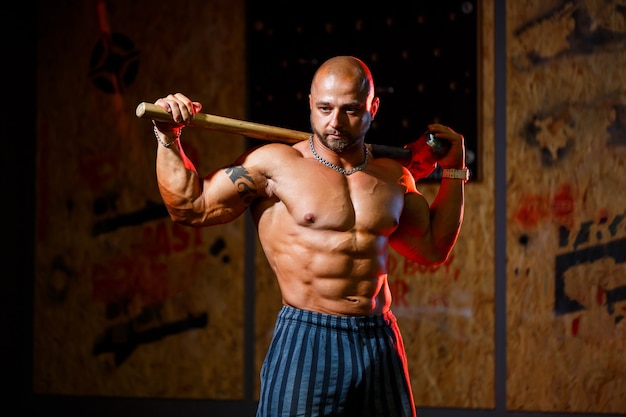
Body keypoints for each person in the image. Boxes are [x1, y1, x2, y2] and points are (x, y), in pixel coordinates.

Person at [151, 56, 466, 417]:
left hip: (379, 337)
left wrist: (455, 170)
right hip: (308, 337)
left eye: (350, 109)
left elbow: (432, 249)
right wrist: (168, 136)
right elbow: (191, 206)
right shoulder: (274, 166)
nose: (335, 122)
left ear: (372, 108)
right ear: (310, 103)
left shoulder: (393, 177)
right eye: (324, 108)